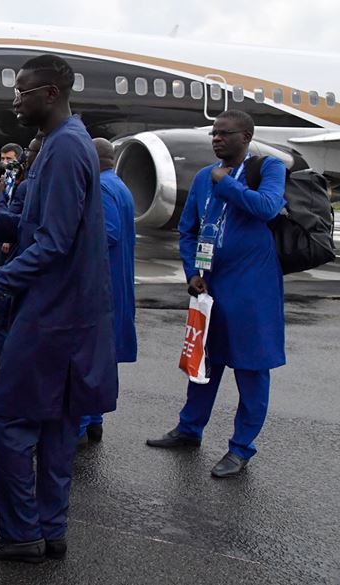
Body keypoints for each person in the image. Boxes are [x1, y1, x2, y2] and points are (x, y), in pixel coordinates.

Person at [0, 54, 118, 562]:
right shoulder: (64, 143)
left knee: (9, 418)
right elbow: (46, 225)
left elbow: (53, 244)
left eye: (21, 91)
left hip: (52, 315)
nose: (15, 100)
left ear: (50, 93)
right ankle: (50, 529)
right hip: (70, 313)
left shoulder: (63, 148)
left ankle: (22, 533)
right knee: (57, 424)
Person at [146, 110, 287, 478]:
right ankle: (189, 429)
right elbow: (189, 229)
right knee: (203, 363)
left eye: (225, 133)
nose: (216, 139)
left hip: (252, 291)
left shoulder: (268, 168)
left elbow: (267, 207)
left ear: (246, 137)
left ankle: (241, 448)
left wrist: (227, 184)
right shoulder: (203, 177)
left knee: (251, 369)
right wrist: (192, 272)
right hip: (211, 288)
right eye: (213, 134)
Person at [77, 138, 138, 445]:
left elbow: (108, 232)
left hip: (102, 283)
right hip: (117, 281)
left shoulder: (101, 187)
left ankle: (80, 424)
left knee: (88, 356)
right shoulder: (119, 185)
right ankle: (94, 420)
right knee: (101, 356)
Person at [0, 142, 24, 349]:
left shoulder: (21, 184)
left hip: (11, 239)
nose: (5, 163)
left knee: (5, 285)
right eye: (2, 159)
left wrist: (7, 236)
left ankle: (3, 328)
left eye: (9, 159)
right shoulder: (5, 180)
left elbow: (12, 214)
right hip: (1, 236)